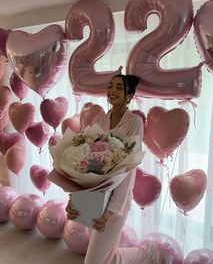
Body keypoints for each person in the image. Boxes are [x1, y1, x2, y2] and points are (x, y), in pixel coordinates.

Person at [66, 74, 173, 264]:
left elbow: (128, 170)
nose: (112, 91)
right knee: (106, 257)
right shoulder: (100, 119)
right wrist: (73, 199)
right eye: (110, 86)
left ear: (129, 95)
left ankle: (148, 253)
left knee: (93, 261)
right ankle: (148, 253)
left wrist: (112, 211)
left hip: (117, 200)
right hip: (95, 197)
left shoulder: (134, 122)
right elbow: (84, 162)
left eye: (119, 88)